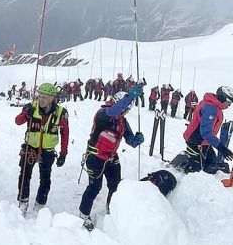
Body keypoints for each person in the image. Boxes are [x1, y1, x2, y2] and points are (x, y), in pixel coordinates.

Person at [78, 87, 146, 230]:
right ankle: (83, 214)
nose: (125, 112)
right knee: (95, 187)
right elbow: (114, 111)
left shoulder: (122, 121)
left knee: (115, 186)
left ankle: (111, 209)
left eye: (127, 110)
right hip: (95, 156)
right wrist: (130, 96)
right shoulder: (103, 113)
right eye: (125, 108)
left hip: (111, 158)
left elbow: (130, 141)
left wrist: (137, 140)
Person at [15, 83, 71, 215]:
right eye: (39, 96)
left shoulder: (61, 113)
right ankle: (23, 202)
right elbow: (18, 121)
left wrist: (63, 153)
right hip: (30, 148)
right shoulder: (31, 107)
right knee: (24, 176)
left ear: (52, 98)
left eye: (44, 97)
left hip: (48, 151)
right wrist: (25, 113)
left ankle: (40, 203)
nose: (40, 99)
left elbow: (65, 134)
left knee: (45, 178)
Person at [172, 86, 233, 174]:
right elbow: (206, 133)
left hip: (204, 141)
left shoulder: (212, 105)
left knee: (211, 164)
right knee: (196, 171)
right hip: (196, 141)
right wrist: (222, 148)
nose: (229, 105)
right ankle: (183, 175)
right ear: (222, 98)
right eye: (229, 102)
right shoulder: (211, 109)